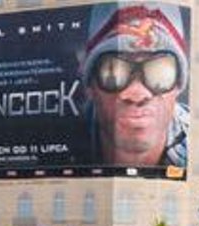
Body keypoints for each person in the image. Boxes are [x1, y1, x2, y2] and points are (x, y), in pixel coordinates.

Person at [81, 3, 190, 170]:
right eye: (114, 71)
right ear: (90, 85)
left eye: (159, 72)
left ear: (178, 85)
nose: (137, 94)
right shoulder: (55, 141)